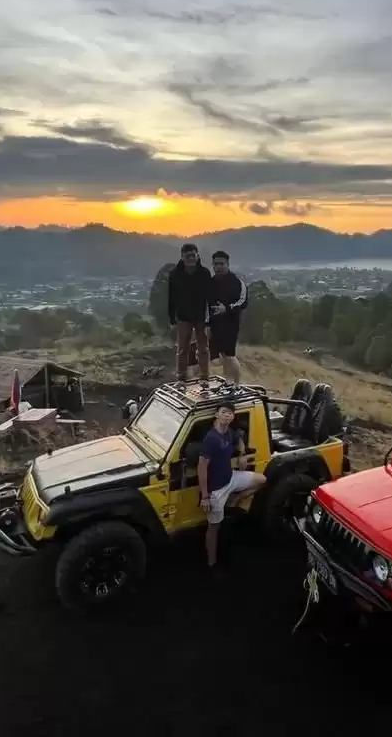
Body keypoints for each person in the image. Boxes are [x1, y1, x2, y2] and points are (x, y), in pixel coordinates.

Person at [198, 400, 266, 571]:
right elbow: (202, 467)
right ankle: (211, 563)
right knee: (214, 527)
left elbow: (239, 440)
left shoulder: (229, 432)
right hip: (216, 490)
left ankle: (235, 499)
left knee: (262, 480)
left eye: (230, 413)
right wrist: (205, 496)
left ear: (233, 417)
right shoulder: (211, 439)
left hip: (231, 478)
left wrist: (242, 454)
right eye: (224, 412)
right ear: (216, 414)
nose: (227, 415)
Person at [167, 243, 212, 381]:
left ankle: (205, 376)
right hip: (183, 317)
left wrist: (210, 317)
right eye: (188, 256)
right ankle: (181, 376)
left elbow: (210, 296)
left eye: (193, 255)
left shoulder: (204, 273)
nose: (191, 258)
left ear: (198, 255)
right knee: (182, 349)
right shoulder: (175, 274)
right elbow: (171, 297)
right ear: (182, 257)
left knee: (203, 349)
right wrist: (172, 317)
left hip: (201, 317)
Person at [208, 250, 248, 384]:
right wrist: (207, 323)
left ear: (227, 264)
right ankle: (228, 382)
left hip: (231, 325)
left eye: (221, 264)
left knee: (230, 356)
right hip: (214, 325)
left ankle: (236, 384)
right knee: (220, 358)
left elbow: (243, 302)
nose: (218, 267)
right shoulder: (211, 283)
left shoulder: (237, 283)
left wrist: (227, 308)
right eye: (215, 264)